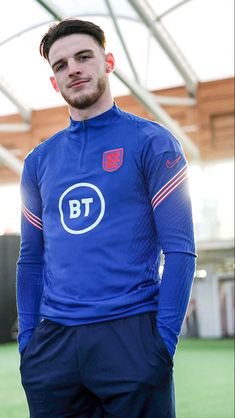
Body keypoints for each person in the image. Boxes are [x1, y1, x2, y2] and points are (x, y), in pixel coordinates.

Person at [17, 18, 196, 418]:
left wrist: (163, 342)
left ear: (108, 62)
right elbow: (30, 260)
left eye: (84, 57)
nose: (73, 69)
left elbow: (180, 252)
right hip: (54, 349)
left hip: (131, 336)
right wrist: (29, 343)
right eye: (60, 65)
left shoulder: (152, 142)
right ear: (54, 83)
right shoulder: (38, 163)